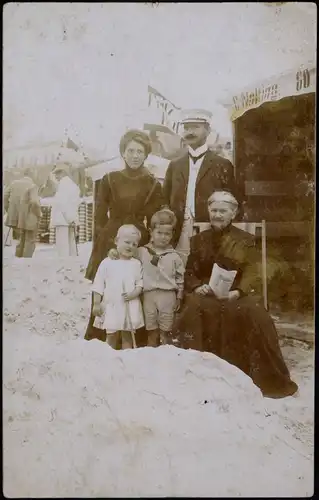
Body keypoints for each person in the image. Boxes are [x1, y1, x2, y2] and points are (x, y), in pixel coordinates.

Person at [174, 190, 298, 399]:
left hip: (236, 294)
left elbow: (253, 271)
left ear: (233, 214)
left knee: (255, 314)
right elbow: (190, 272)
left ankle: (262, 379)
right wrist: (197, 287)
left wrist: (237, 292)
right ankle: (197, 377)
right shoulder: (198, 240)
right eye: (214, 210)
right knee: (193, 308)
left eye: (223, 211)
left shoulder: (246, 239)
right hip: (207, 293)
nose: (218, 215)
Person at [84, 129, 163, 343]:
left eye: (140, 151)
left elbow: (155, 218)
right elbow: (99, 218)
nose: (135, 155)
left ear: (146, 154)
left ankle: (135, 340)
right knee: (109, 286)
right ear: (123, 153)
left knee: (134, 286)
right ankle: (101, 338)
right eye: (130, 151)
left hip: (138, 239)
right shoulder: (109, 179)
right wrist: (107, 243)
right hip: (111, 236)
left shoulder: (153, 183)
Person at [163, 109, 239, 265]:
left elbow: (234, 202)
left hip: (210, 232)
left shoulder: (222, 165)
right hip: (179, 233)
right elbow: (164, 200)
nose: (190, 132)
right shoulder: (175, 165)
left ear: (208, 130)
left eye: (195, 127)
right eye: (187, 128)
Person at [109, 208, 185, 347]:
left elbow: (180, 278)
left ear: (173, 234)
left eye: (167, 234)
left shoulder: (174, 256)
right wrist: (114, 252)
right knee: (151, 330)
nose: (163, 237)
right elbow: (127, 255)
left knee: (166, 331)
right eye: (159, 233)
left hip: (168, 296)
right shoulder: (142, 251)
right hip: (148, 295)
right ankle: (151, 356)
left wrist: (179, 295)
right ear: (151, 232)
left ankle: (165, 357)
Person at [91, 225, 144, 350]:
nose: (130, 246)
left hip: (129, 304)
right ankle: (110, 360)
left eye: (134, 244)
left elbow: (140, 284)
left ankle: (127, 359)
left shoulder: (136, 264)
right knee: (111, 335)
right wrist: (96, 303)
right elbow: (98, 284)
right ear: (116, 241)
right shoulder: (107, 262)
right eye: (127, 242)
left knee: (128, 335)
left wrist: (133, 294)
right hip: (112, 305)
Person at [4, 167, 42, 258]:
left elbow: (4, 197)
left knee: (21, 238)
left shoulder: (14, 184)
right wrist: (39, 213)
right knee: (29, 240)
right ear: (32, 175)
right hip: (29, 215)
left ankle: (18, 258)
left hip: (15, 215)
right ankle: (26, 260)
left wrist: (8, 209)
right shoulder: (33, 186)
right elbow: (34, 202)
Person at [48, 163, 81, 257]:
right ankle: (72, 263)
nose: (56, 177)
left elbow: (62, 203)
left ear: (62, 173)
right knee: (71, 243)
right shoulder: (73, 185)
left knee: (62, 246)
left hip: (63, 219)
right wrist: (73, 219)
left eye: (57, 174)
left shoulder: (63, 185)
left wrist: (69, 218)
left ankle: (64, 265)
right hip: (71, 218)